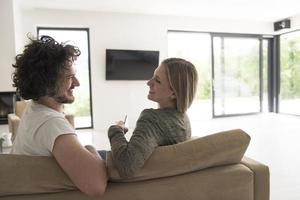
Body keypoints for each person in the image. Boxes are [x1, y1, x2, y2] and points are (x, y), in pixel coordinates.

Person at [10, 36, 107, 198]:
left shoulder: (33, 108)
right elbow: (97, 186)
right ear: (46, 83)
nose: (77, 83)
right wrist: (90, 149)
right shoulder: (51, 123)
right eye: (69, 77)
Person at [108, 57, 198, 178]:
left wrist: (116, 130)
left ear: (173, 93)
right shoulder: (184, 119)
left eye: (157, 80)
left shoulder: (152, 119)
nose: (149, 83)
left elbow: (126, 165)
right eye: (153, 76)